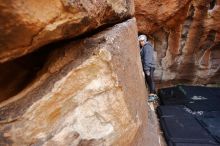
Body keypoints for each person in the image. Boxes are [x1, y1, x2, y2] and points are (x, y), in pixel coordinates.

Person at [138, 34, 158, 102]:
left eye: (142, 41)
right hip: (149, 66)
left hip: (149, 66)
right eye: (140, 41)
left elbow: (147, 58)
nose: (141, 42)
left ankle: (152, 95)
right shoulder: (144, 47)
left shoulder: (147, 47)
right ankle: (154, 95)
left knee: (150, 80)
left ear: (145, 40)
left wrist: (146, 69)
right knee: (149, 80)